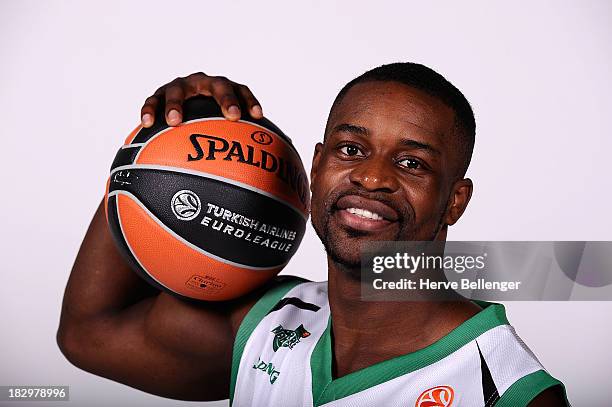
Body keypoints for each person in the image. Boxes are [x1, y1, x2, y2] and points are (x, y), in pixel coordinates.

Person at [58, 63, 569, 406]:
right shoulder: (262, 325)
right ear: (316, 166)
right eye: (351, 150)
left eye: (411, 162)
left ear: (454, 201)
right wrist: (153, 155)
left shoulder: (506, 389)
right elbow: (88, 333)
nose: (372, 177)